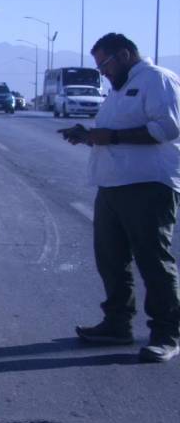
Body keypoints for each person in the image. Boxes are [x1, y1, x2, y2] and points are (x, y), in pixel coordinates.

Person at [64, 33, 180, 363]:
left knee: (153, 261)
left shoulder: (157, 80)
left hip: (148, 185)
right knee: (111, 260)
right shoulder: (119, 86)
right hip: (112, 185)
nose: (101, 71)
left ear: (125, 54)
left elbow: (169, 129)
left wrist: (111, 136)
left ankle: (166, 334)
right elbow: (114, 132)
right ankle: (117, 324)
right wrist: (88, 136)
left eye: (104, 63)